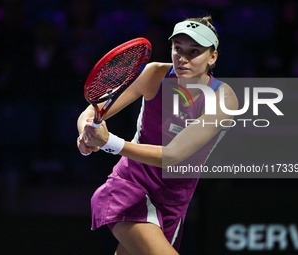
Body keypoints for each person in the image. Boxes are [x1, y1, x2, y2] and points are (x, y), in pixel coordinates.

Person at [77, 16, 238, 255]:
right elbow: (92, 110)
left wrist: (109, 142)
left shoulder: (223, 99)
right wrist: (86, 133)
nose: (183, 59)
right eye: (178, 49)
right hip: (129, 187)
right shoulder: (154, 75)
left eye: (194, 51)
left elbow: (173, 156)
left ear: (212, 57)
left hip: (173, 202)